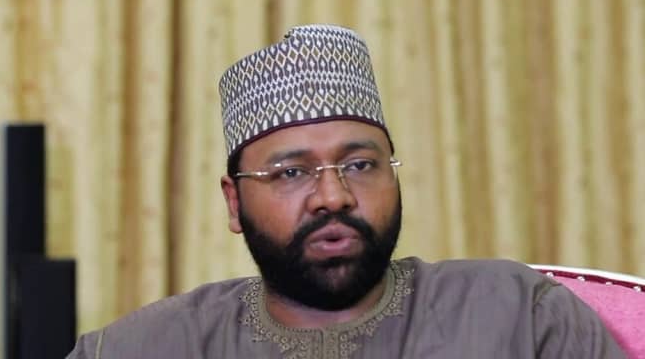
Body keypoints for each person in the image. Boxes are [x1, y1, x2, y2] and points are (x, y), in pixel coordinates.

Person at [66, 24, 626, 358]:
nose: (333, 196)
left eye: (359, 165)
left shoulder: (516, 314)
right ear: (234, 202)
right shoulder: (147, 347)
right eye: (291, 173)